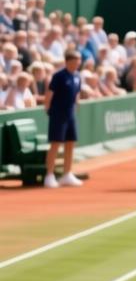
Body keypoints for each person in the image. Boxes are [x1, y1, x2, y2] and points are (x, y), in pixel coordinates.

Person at [43, 50, 84, 188]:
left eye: (79, 60)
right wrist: (48, 109)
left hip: (70, 114)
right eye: (76, 60)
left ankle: (67, 174)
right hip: (58, 115)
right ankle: (49, 175)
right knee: (55, 144)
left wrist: (76, 106)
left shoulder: (77, 76)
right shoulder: (59, 76)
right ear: (68, 61)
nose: (78, 63)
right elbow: (49, 94)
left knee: (70, 143)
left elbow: (76, 93)